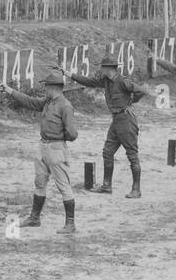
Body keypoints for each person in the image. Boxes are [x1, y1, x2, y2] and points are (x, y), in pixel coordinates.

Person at [0, 68, 79, 233]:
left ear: (53, 87)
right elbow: (30, 101)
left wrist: (58, 138)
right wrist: (9, 90)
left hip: (56, 148)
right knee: (40, 183)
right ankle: (34, 218)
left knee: (63, 186)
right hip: (43, 146)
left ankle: (70, 223)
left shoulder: (65, 106)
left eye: (46, 86)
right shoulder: (48, 101)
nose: (44, 89)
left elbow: (72, 133)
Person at [64, 55, 155, 198]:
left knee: (132, 155)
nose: (100, 69)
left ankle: (136, 189)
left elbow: (140, 91)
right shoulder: (105, 81)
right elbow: (89, 82)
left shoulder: (123, 81)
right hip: (116, 121)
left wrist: (130, 101)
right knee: (107, 152)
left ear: (108, 68)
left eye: (102, 67)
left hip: (126, 121)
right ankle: (107, 186)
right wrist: (70, 75)